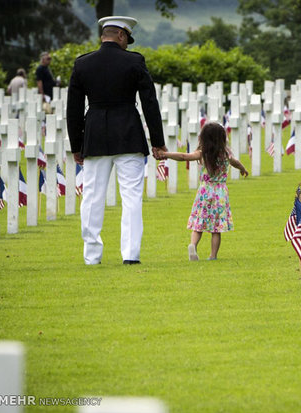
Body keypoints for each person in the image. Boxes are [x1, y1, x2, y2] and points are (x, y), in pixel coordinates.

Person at [66, 16, 167, 265]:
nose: (128, 46)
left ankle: (91, 256)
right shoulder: (134, 61)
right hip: (128, 135)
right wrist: (157, 141)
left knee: (92, 196)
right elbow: (149, 103)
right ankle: (130, 255)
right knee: (131, 197)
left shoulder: (82, 64)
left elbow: (74, 110)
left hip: (95, 135)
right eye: (127, 40)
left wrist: (76, 146)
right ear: (121, 36)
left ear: (103, 35)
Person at [159, 122, 248, 261]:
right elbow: (236, 162)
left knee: (198, 223)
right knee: (216, 228)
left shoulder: (203, 153)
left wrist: (166, 154)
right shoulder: (226, 153)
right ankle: (213, 255)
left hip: (204, 191)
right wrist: (243, 169)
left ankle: (193, 245)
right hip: (220, 193)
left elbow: (183, 156)